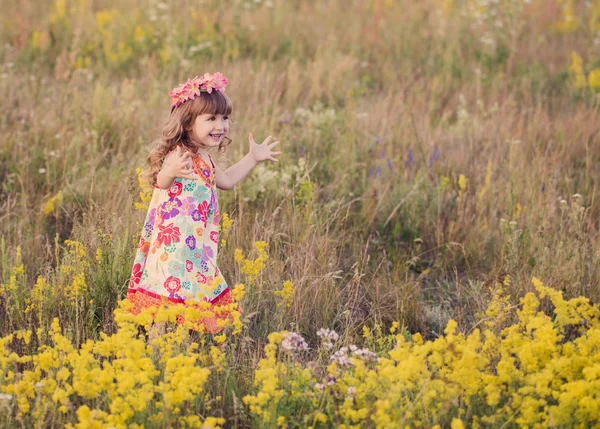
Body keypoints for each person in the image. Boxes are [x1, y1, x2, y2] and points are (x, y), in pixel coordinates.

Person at [126, 72, 281, 334]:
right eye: (211, 119)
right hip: (172, 248)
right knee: (167, 302)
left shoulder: (204, 159)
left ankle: (177, 352)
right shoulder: (179, 155)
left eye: (224, 118)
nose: (220, 125)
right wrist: (170, 170)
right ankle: (158, 353)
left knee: (185, 303)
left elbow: (228, 179)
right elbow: (161, 183)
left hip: (196, 247)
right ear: (187, 123)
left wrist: (253, 158)